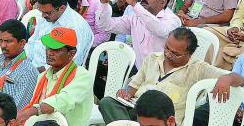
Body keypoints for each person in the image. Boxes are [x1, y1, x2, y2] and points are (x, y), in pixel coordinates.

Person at [98, 28, 243, 124]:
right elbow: (133, 87)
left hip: (161, 119)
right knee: (106, 102)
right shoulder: (153, 58)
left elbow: (239, 78)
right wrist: (126, 94)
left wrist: (226, 79)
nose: (168, 54)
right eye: (167, 48)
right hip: (136, 109)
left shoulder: (198, 68)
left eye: (175, 53)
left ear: (189, 54)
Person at [15, 27, 93, 125]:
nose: (49, 53)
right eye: (48, 47)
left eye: (56, 49)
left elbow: (64, 100)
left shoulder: (83, 76)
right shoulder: (43, 76)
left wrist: (34, 110)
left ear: (71, 54)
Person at [96, 0, 181, 68]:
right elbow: (106, 25)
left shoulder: (173, 20)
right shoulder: (135, 17)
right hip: (140, 73)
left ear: (163, 2)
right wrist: (104, 3)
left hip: (163, 75)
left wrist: (135, 5)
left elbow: (160, 31)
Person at [24, 0, 93, 70]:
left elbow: (70, 64)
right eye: (41, 11)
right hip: (31, 69)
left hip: (55, 76)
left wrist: (34, 73)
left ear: (62, 8)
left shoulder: (76, 27)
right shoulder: (46, 15)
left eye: (47, 13)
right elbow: (32, 44)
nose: (43, 16)